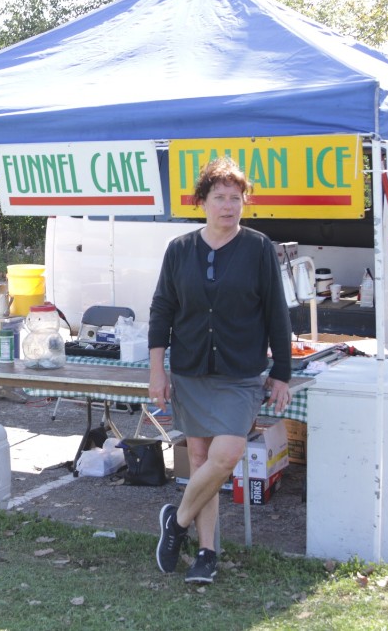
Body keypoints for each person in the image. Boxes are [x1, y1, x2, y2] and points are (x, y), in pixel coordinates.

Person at [148, 156, 293, 584]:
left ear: (244, 203)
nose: (228, 206)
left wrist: (281, 371)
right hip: (190, 369)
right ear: (202, 202)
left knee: (225, 455)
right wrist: (158, 371)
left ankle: (175, 522)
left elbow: (275, 313)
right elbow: (162, 311)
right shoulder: (179, 249)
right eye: (219, 198)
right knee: (198, 458)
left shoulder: (259, 248)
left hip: (240, 372)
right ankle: (206, 553)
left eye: (236, 198)